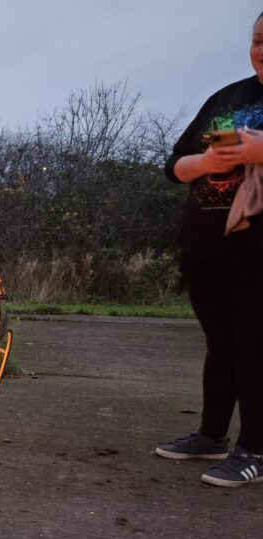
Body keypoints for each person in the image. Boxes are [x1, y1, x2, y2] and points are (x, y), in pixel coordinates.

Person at [155, 12, 263, 488]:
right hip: (206, 243)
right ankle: (213, 434)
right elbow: (174, 164)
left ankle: (256, 449)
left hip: (258, 248)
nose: (262, 50)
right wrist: (207, 160)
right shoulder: (227, 97)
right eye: (258, 40)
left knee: (255, 346)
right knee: (221, 343)